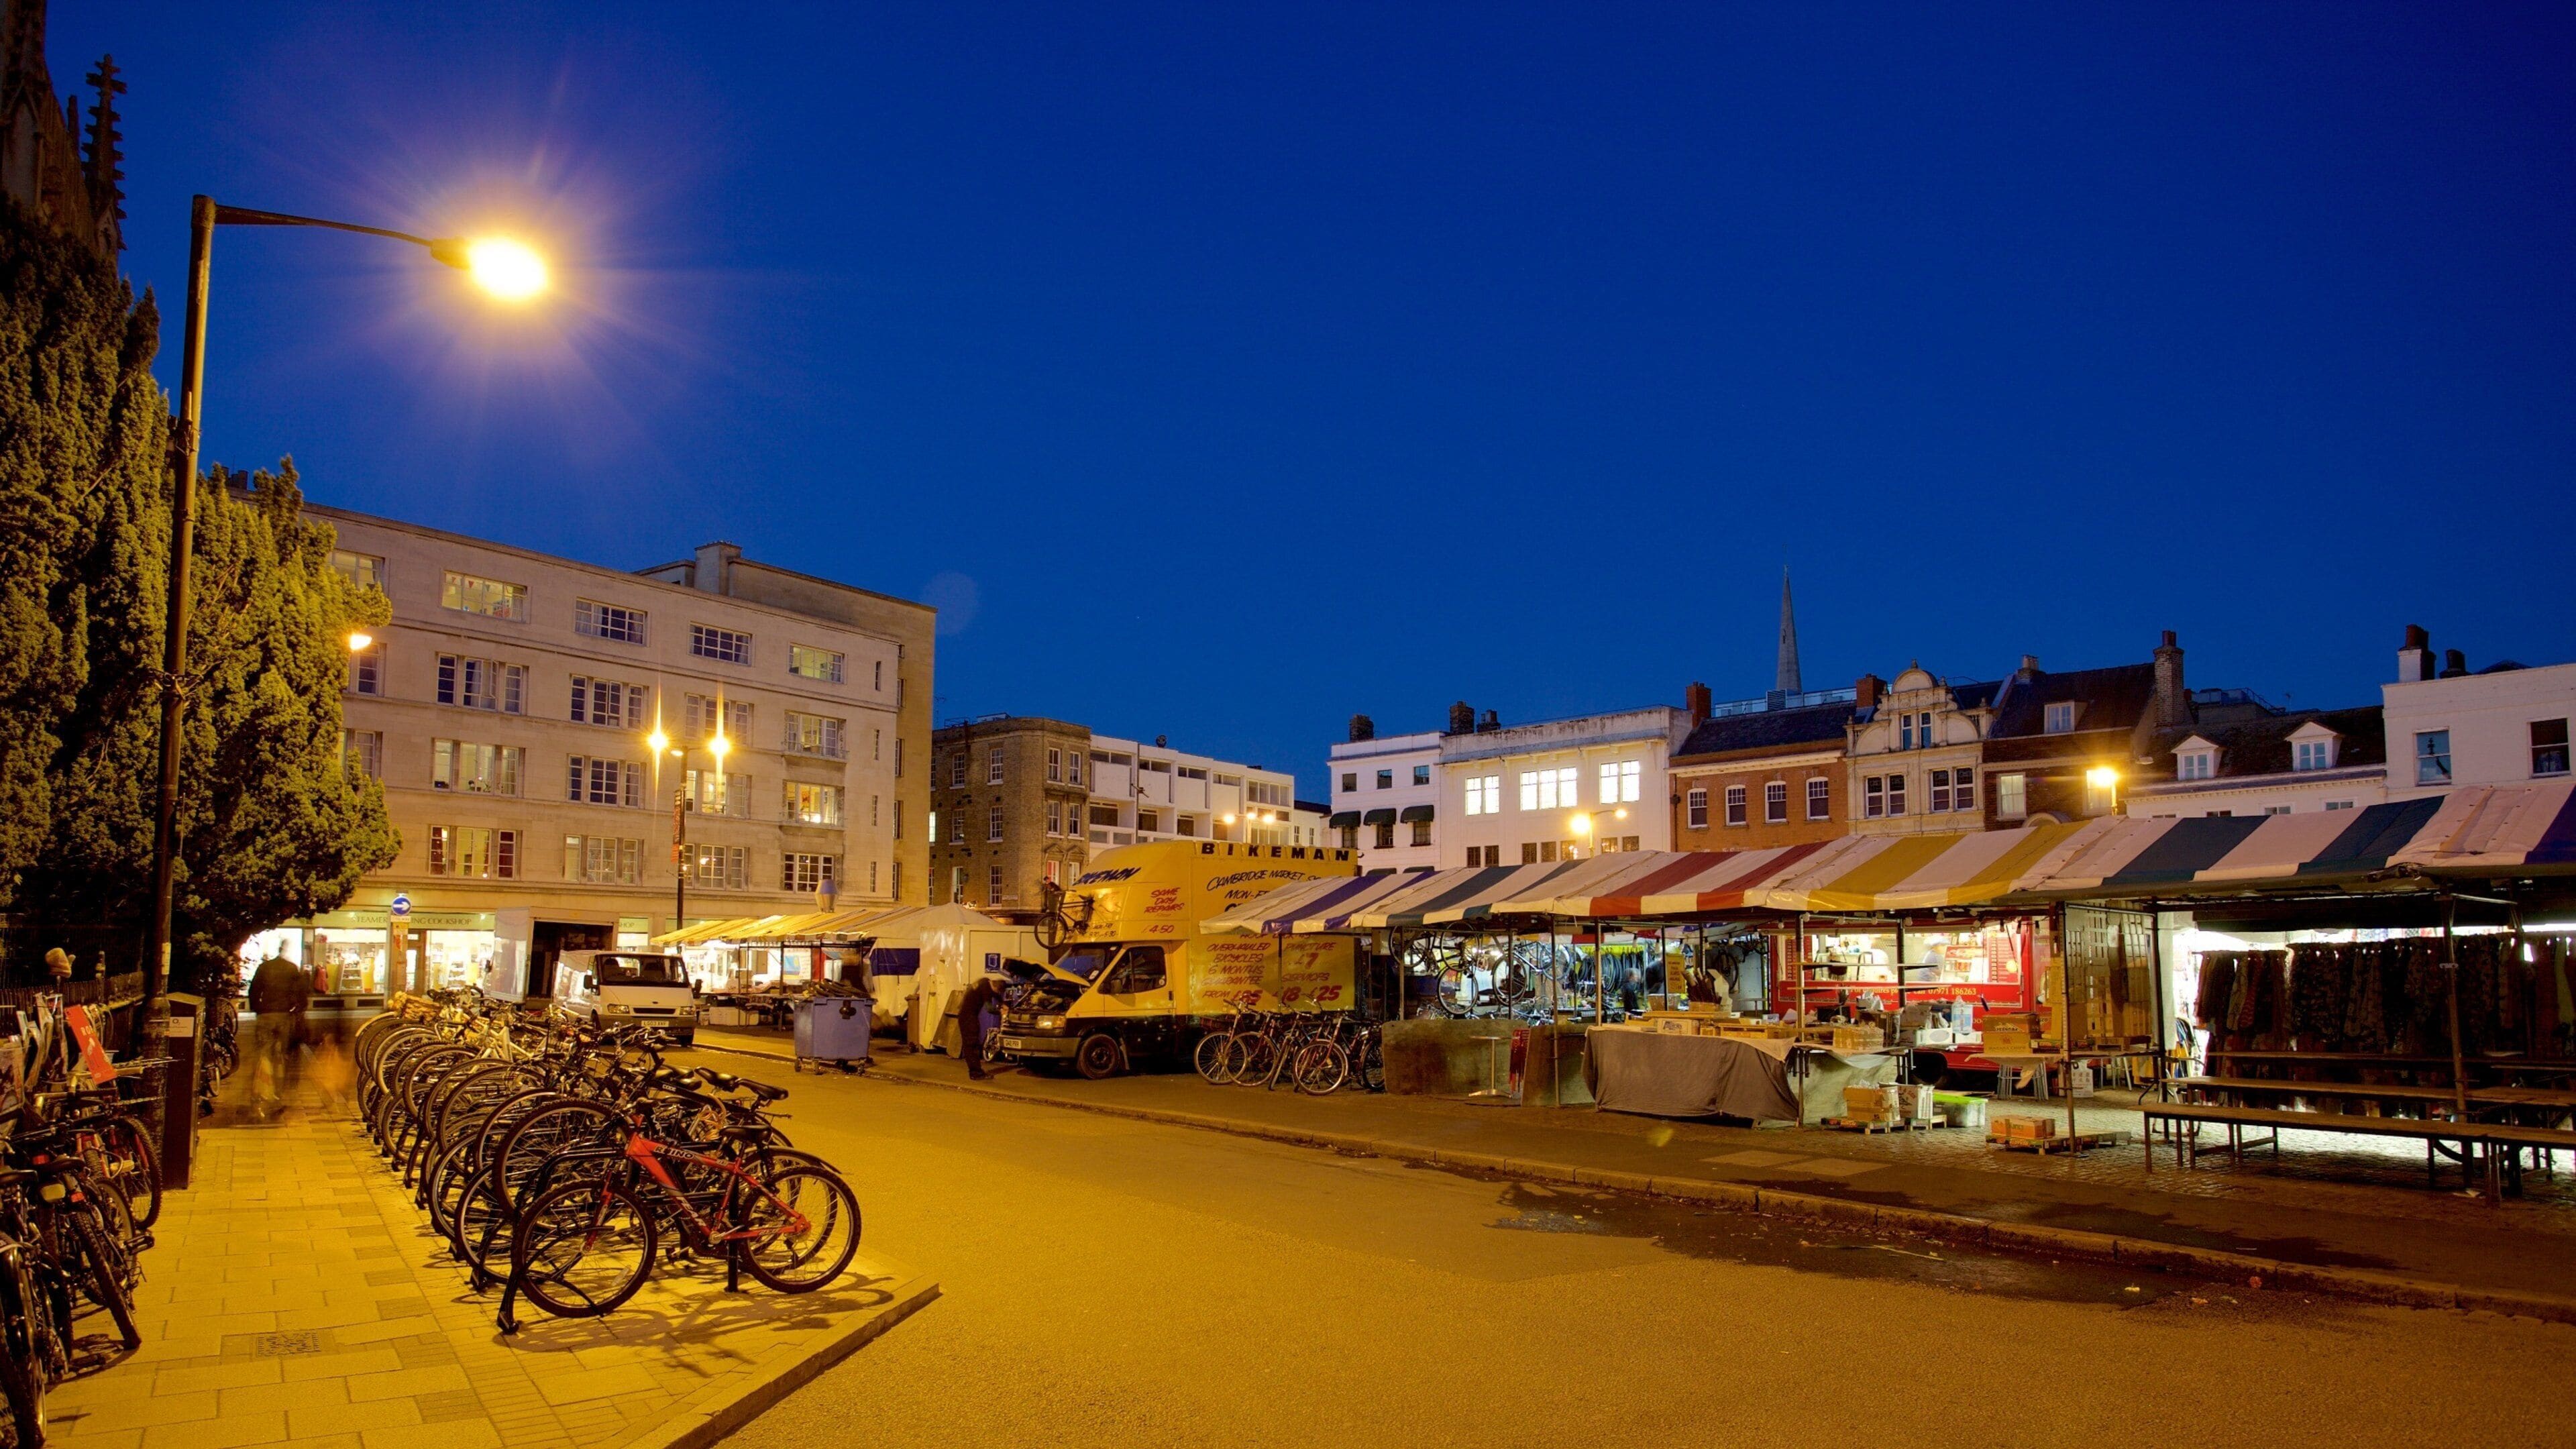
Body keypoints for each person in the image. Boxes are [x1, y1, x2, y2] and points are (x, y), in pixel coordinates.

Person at [246, 952, 312, 1111]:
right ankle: (278, 1093)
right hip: (284, 1016)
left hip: (266, 1015)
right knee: (282, 1055)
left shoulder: (264, 968)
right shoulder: (291, 969)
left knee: (263, 1053)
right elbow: (301, 992)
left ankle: (260, 1091)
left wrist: (258, 1009)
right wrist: (298, 1009)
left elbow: (254, 990)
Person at [955, 973, 998, 1081]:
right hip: (969, 1018)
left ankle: (976, 1071)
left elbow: (995, 994)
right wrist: (1000, 1011)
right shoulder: (987, 988)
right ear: (996, 988)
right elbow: (989, 1008)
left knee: (971, 1045)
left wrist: (1003, 1003)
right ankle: (976, 1073)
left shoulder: (984, 982)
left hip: (966, 1017)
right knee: (972, 1046)